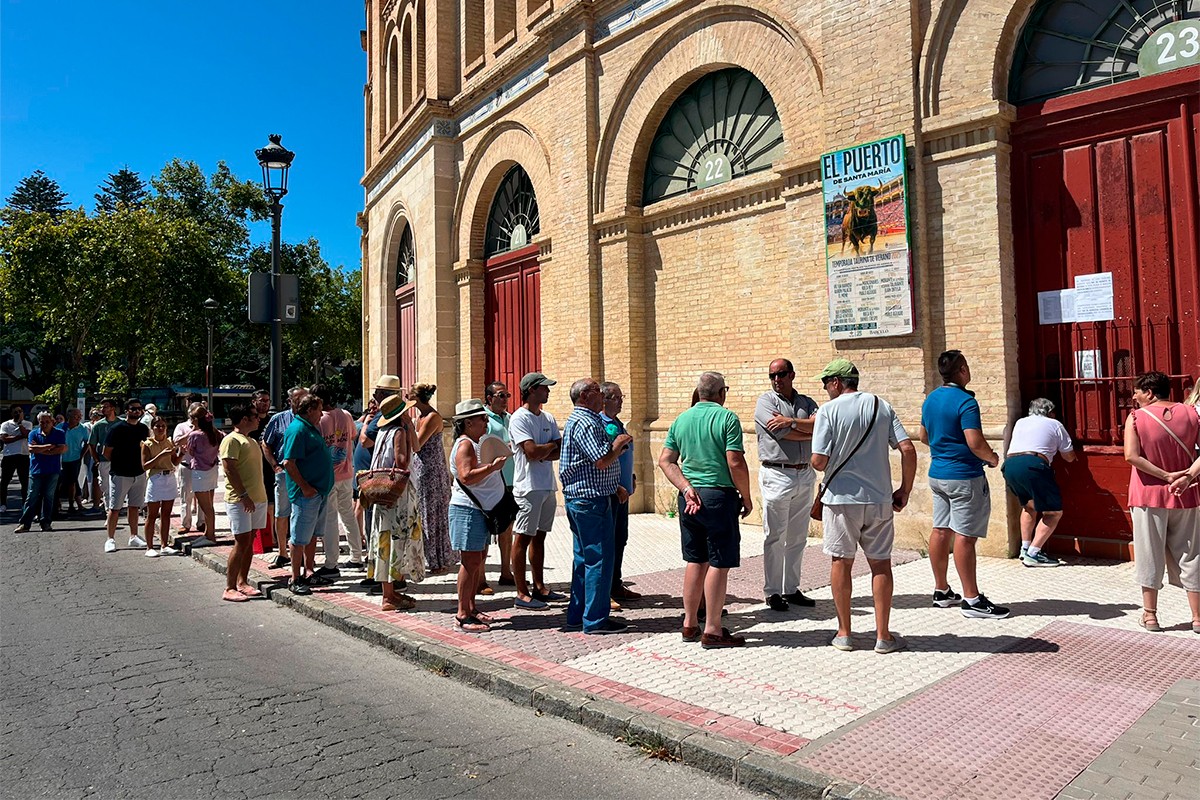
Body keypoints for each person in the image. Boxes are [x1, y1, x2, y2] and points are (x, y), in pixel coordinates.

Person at [811, 359, 917, 654]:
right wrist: (904, 490)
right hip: (879, 498)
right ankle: (883, 636)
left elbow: (818, 461)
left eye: (825, 383)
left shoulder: (828, 411)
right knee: (880, 564)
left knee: (841, 562)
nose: (824, 389)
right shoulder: (880, 406)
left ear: (836, 383)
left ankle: (844, 633)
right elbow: (907, 449)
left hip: (841, 500)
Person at [658, 371, 753, 648]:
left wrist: (686, 487)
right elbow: (735, 462)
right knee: (719, 563)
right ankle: (712, 628)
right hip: (718, 498)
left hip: (689, 499)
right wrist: (746, 497)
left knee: (695, 559)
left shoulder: (681, 419)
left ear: (699, 393)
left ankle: (689, 624)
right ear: (721, 393)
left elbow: (666, 461)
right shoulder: (727, 418)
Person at [918, 350, 1008, 619]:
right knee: (965, 537)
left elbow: (923, 436)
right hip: (964, 477)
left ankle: (941, 590)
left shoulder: (930, 399)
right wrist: (992, 458)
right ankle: (972, 599)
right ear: (963, 371)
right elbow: (975, 442)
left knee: (940, 531)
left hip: (937, 474)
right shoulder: (967, 402)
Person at [1123, 371, 1200, 634]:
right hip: (1187, 494)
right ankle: (1198, 617)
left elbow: (1131, 456)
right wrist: (1188, 475)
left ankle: (1150, 615)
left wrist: (1166, 476)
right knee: (1192, 554)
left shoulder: (1136, 417)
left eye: (1137, 391)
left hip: (1148, 494)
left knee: (1149, 553)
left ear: (1150, 393)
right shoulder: (1192, 414)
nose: (1134, 396)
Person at [561, 379, 632, 634]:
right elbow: (601, 459)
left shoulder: (582, 420)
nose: (602, 395)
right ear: (584, 396)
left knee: (584, 560)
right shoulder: (586, 421)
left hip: (585, 498)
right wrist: (619, 443)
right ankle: (595, 620)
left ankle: (577, 615)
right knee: (599, 560)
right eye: (597, 391)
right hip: (591, 501)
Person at [754, 358, 820, 611]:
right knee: (775, 535)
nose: (776, 380)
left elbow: (821, 425)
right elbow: (779, 433)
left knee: (798, 536)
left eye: (781, 374)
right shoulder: (766, 402)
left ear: (792, 374)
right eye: (772, 375)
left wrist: (791, 422)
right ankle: (772, 592)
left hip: (804, 472)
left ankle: (791, 589)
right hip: (777, 474)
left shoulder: (806, 402)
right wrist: (805, 430)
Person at [447, 399, 508, 632]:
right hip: (467, 510)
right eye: (482, 418)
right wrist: (492, 467)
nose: (486, 422)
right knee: (470, 561)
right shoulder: (465, 445)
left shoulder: (473, 443)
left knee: (478, 559)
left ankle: (471, 608)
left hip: (478, 510)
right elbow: (466, 477)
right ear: (468, 422)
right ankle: (462, 615)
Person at [509, 372, 563, 610]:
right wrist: (547, 448)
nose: (548, 392)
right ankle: (521, 592)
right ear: (531, 390)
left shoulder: (548, 417)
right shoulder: (519, 419)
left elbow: (560, 450)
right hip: (527, 487)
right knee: (523, 537)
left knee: (540, 537)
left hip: (547, 485)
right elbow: (531, 452)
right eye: (544, 388)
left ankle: (539, 586)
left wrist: (545, 449)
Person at [1002, 398, 1077, 566]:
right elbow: (1069, 457)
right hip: (1034, 466)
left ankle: (1025, 548)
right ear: (1050, 412)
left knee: (1029, 506)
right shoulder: (1054, 424)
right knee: (1053, 512)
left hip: (1010, 466)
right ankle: (1034, 554)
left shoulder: (1021, 422)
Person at [367, 395, 422, 611]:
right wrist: (406, 435)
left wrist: (410, 428)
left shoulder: (383, 431)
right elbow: (402, 460)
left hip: (383, 493)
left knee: (384, 539)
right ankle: (388, 596)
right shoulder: (398, 432)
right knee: (395, 540)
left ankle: (388, 592)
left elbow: (416, 446)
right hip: (397, 493)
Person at [280, 393, 335, 595]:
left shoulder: (310, 427)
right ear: (310, 409)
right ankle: (295, 578)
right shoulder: (297, 429)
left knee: (312, 535)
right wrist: (305, 487)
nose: (322, 414)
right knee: (299, 537)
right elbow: (289, 463)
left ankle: (308, 571)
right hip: (307, 494)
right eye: (319, 410)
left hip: (318, 492)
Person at [311, 385, 364, 576]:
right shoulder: (346, 415)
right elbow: (352, 435)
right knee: (348, 515)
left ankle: (331, 562)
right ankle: (357, 557)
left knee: (330, 519)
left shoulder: (320, 419)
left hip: (329, 475)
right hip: (347, 471)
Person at [219, 404, 268, 602]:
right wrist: (243, 495)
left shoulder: (252, 441)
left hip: (257, 498)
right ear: (245, 419)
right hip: (240, 500)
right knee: (241, 542)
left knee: (249, 542)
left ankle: (243, 581)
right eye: (255, 416)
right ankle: (229, 587)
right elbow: (229, 469)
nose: (258, 418)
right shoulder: (231, 440)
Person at [407, 383, 456, 574]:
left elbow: (417, 444)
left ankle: (438, 558)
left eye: (409, 396)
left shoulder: (433, 417)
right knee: (422, 512)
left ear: (417, 398)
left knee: (432, 513)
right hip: (420, 468)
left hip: (431, 470)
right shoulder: (419, 417)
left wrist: (406, 423)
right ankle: (427, 556)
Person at [600, 381, 639, 609]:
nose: (621, 400)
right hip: (612, 492)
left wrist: (630, 477)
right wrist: (616, 486)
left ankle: (616, 583)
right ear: (604, 399)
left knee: (620, 539)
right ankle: (605, 591)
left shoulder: (617, 423)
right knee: (608, 541)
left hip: (624, 491)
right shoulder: (602, 424)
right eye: (616, 397)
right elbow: (603, 459)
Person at [262, 387, 309, 569]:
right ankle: (282, 552)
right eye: (299, 399)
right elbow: (266, 444)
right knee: (282, 513)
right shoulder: (278, 419)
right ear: (290, 401)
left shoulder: (312, 418)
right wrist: (275, 466)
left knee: (303, 512)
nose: (302, 402)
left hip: (305, 472)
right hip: (284, 473)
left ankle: (302, 554)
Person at [482, 381, 516, 593]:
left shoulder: (511, 418)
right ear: (489, 398)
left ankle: (506, 571)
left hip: (510, 479)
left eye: (507, 395)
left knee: (507, 528)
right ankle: (481, 578)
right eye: (500, 396)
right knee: (485, 530)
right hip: (490, 480)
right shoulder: (483, 419)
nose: (505, 400)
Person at [102, 399, 150, 553]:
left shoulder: (143, 429)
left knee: (134, 506)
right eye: (133, 409)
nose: (137, 411)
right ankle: (110, 539)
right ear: (126, 411)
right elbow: (106, 452)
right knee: (115, 508)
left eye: (139, 409)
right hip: (120, 474)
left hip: (139, 473)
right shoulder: (117, 428)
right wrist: (119, 463)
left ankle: (134, 536)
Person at [14, 412, 66, 533]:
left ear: (52, 422)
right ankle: (25, 523)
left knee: (48, 496)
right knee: (31, 496)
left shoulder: (59, 433)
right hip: (36, 470)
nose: (45, 424)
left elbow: (61, 448)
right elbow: (31, 449)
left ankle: (46, 522)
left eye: (47, 422)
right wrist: (49, 446)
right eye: (42, 422)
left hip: (53, 470)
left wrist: (41, 449)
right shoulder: (33, 433)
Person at [140, 417, 181, 557]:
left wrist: (182, 454)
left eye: (163, 426)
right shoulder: (147, 444)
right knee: (152, 514)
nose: (160, 428)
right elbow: (145, 466)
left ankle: (164, 545)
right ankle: (149, 547)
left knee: (166, 513)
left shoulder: (169, 442)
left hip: (169, 477)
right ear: (152, 428)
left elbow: (174, 461)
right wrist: (160, 456)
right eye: (157, 426)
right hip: (155, 478)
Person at [185, 406, 224, 546]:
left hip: (199, 472)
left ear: (196, 420)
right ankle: (208, 533)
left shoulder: (194, 435)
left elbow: (191, 452)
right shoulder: (216, 433)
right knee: (209, 505)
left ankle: (211, 536)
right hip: (212, 469)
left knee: (205, 507)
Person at [246, 390, 277, 555]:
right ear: (254, 401)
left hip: (269, 466)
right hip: (253, 467)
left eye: (267, 400)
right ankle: (258, 537)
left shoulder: (273, 419)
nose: (265, 403)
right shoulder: (249, 420)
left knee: (272, 503)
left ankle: (272, 537)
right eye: (261, 400)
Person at [56, 408, 89, 516]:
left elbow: (87, 442)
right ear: (69, 417)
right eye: (76, 416)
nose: (79, 418)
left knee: (72, 481)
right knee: (58, 482)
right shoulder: (60, 428)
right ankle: (57, 504)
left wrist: (81, 455)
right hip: (60, 459)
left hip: (75, 459)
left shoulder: (83, 429)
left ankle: (72, 504)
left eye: (80, 415)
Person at [89, 399, 120, 513]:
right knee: (106, 487)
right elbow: (91, 444)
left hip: (120, 461)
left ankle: (116, 509)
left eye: (106, 407)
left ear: (113, 408)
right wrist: (96, 460)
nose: (103, 409)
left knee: (119, 488)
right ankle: (109, 511)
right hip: (104, 461)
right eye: (102, 407)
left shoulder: (121, 423)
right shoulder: (98, 425)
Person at [172, 402, 199, 531]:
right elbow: (176, 442)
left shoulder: (207, 427)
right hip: (186, 465)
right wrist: (192, 431)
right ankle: (186, 523)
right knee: (186, 497)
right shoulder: (182, 426)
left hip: (202, 467)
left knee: (203, 497)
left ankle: (202, 522)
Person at [2, 405, 33, 513]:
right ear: (11, 413)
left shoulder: (28, 424)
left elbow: (27, 435)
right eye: (15, 412)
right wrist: (20, 437)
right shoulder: (5, 425)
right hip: (9, 455)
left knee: (24, 481)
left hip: (23, 455)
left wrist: (20, 425)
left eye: (20, 411)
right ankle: (3, 504)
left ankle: (24, 503)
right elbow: (5, 439)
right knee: (5, 481)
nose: (18, 414)